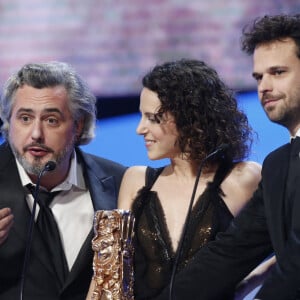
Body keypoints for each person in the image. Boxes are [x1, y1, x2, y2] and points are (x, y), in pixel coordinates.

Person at [87, 58, 273, 300]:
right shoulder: (136, 181)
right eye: (141, 116)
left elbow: (289, 246)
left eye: (153, 117)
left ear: (190, 117)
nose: (140, 128)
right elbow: (107, 278)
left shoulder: (244, 178)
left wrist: (241, 288)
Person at [151, 14, 300, 300]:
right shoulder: (278, 165)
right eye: (259, 77)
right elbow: (231, 251)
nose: (264, 87)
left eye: (278, 72)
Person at [0, 61, 126, 300]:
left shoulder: (121, 184)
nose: (36, 133)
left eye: (51, 120)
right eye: (25, 118)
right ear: (9, 121)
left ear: (78, 126)